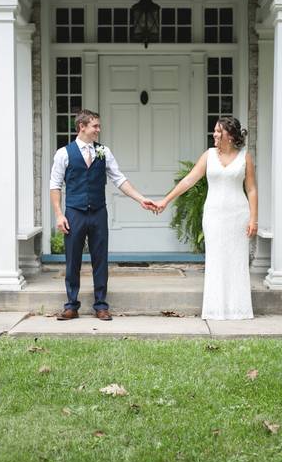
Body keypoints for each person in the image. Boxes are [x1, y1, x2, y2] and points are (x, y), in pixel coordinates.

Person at [49, 109, 157, 321]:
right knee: (73, 260)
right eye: (95, 126)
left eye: (98, 126)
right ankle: (71, 305)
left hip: (98, 212)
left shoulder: (104, 152)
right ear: (82, 127)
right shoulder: (64, 153)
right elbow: (55, 186)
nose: (99, 130)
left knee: (101, 259)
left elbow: (119, 179)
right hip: (74, 213)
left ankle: (101, 305)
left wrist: (140, 198)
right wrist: (59, 215)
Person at [154, 117, 257, 320]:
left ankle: (239, 309)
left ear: (230, 135)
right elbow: (189, 180)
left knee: (236, 260)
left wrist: (253, 219)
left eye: (219, 132)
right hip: (214, 215)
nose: (215, 135)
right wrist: (165, 200)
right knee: (216, 259)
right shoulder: (209, 155)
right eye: (215, 131)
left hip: (238, 214)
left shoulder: (245, 157)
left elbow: (251, 189)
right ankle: (215, 309)